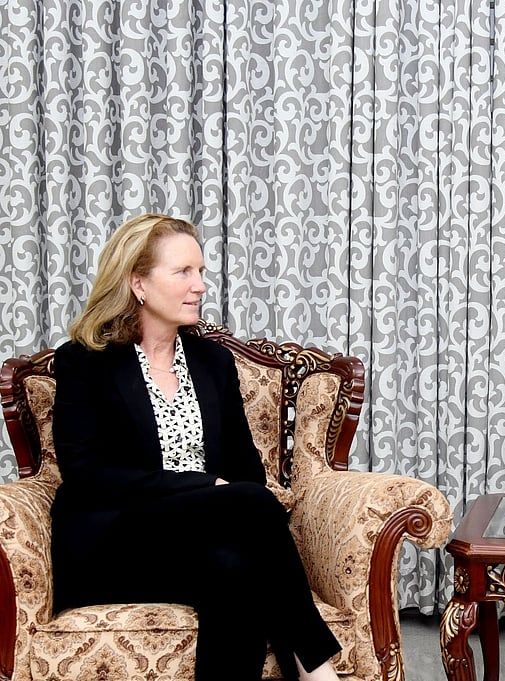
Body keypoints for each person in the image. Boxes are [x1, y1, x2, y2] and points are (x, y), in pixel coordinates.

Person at [51, 214, 342, 680]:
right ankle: (316, 667)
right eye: (184, 272)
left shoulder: (212, 361)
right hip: (115, 541)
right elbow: (88, 474)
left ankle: (311, 669)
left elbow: (246, 466)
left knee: (235, 568)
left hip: (203, 539)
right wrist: (205, 485)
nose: (200, 286)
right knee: (249, 503)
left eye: (201, 272)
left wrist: (220, 496)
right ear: (138, 283)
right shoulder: (85, 362)